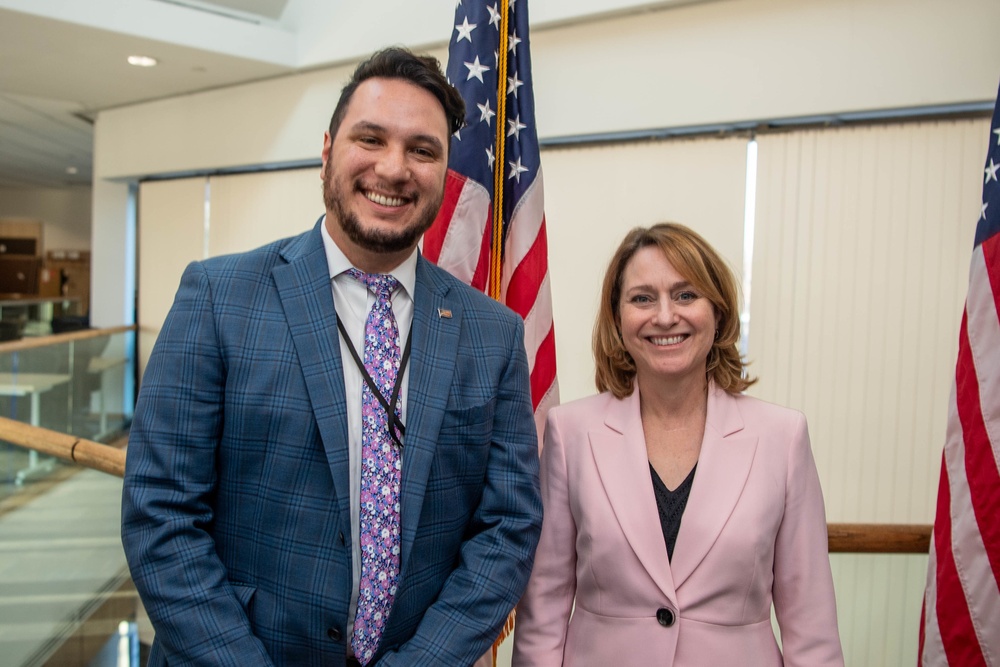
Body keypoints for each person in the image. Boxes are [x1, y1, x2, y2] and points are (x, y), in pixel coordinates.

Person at [121, 47, 542, 667]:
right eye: (370, 138)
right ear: (327, 152)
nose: (393, 168)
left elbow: (506, 529)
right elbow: (160, 516)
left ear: (446, 174)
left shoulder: (492, 334)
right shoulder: (218, 296)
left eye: (422, 150)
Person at [512, 223, 843, 666]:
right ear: (618, 319)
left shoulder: (783, 438)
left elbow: (812, 630)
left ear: (719, 313)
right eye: (642, 298)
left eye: (686, 295)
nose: (665, 316)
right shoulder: (570, 433)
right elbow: (543, 615)